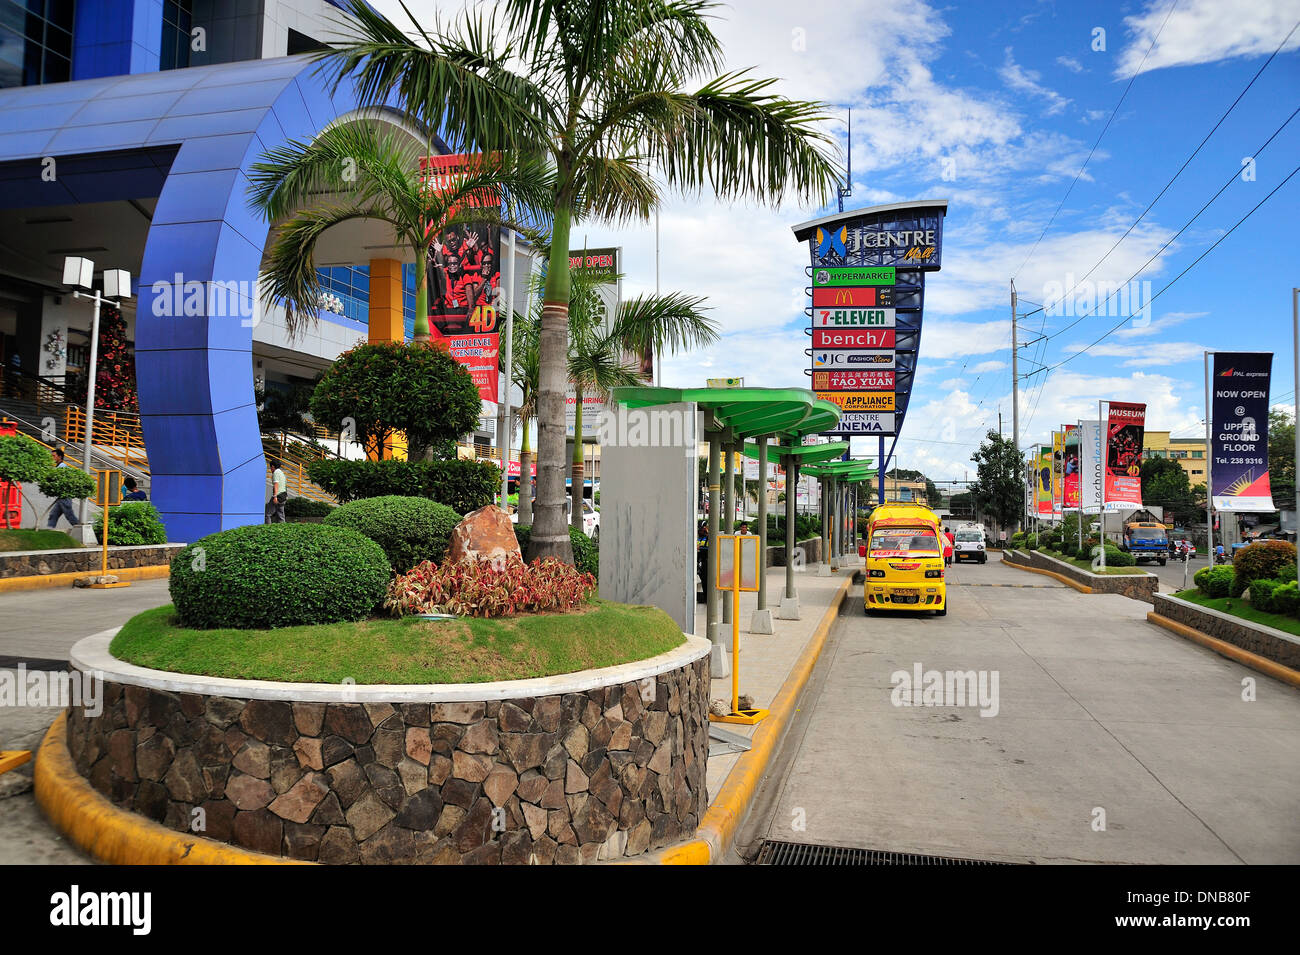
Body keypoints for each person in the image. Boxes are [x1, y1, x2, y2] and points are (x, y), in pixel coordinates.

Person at [46, 448, 80, 529]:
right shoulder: (60, 466)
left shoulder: (62, 467)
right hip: (61, 497)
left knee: (69, 516)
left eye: (54, 456)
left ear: (60, 457)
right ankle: (49, 530)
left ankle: (79, 529)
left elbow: (58, 480)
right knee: (53, 515)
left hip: (65, 497)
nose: (52, 458)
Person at [265, 458, 287, 523]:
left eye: (270, 467)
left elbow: (276, 484)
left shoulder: (276, 473)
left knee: (267, 514)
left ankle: (267, 530)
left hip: (278, 496)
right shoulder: (282, 473)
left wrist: (275, 497)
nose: (270, 469)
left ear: (273, 466)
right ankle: (282, 530)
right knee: (280, 515)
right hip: (283, 496)